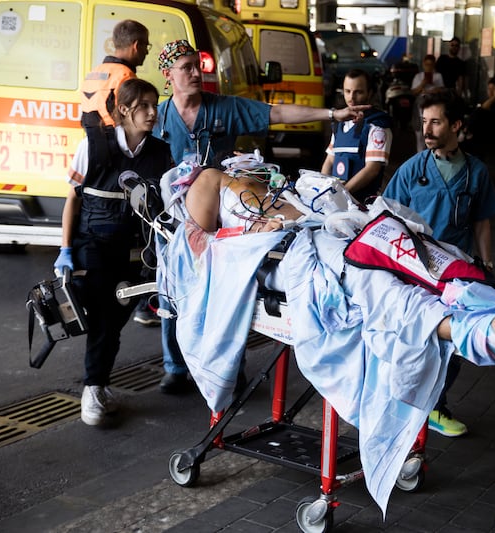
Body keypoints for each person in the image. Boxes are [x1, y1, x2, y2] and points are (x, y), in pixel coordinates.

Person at [153, 40, 369, 394]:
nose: (196, 73)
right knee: (171, 283)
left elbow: (278, 113)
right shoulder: (159, 119)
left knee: (233, 289)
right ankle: (176, 365)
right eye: (186, 68)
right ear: (168, 76)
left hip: (227, 215)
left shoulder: (224, 108)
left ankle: (228, 365)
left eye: (197, 65)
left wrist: (333, 115)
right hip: (179, 215)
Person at [383, 89, 495, 438]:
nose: (427, 130)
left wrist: (487, 263)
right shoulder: (412, 170)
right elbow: (388, 217)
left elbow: (482, 222)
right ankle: (409, 404)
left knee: (455, 341)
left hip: (457, 271)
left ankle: (436, 404)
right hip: (414, 271)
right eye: (424, 122)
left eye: (435, 122)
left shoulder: (476, 173)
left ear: (456, 125)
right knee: (416, 339)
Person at [55, 78, 173, 426]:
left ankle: (99, 384)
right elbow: (72, 200)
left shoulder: (160, 154)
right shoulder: (93, 147)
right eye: (145, 106)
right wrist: (65, 250)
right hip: (93, 246)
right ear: (124, 109)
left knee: (116, 319)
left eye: (155, 105)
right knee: (104, 317)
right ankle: (92, 390)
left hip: (134, 253)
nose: (153, 113)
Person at [77, 19, 159, 327]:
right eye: (146, 47)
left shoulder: (95, 72)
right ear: (136, 45)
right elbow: (126, 117)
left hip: (96, 155)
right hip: (119, 158)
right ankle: (143, 302)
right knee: (145, 234)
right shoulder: (125, 76)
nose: (146, 53)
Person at [320, 69, 392, 203]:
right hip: (336, 201)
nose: (351, 97)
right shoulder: (339, 124)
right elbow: (329, 161)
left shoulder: (377, 126)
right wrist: (322, 191)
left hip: (363, 204)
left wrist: (342, 194)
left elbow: (372, 169)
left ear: (370, 93)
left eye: (358, 92)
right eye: (347, 91)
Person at [462, 74, 495, 161]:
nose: (490, 92)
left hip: (488, 143)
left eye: (493, 89)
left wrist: (494, 97)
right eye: (489, 89)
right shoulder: (489, 103)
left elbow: (480, 113)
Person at [411, 54, 445, 152]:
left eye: (431, 65)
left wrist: (433, 89)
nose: (429, 67)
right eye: (427, 64)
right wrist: (423, 83)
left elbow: (442, 90)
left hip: (433, 106)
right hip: (420, 107)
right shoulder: (418, 77)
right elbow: (413, 92)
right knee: (419, 134)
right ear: (423, 65)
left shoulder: (438, 76)